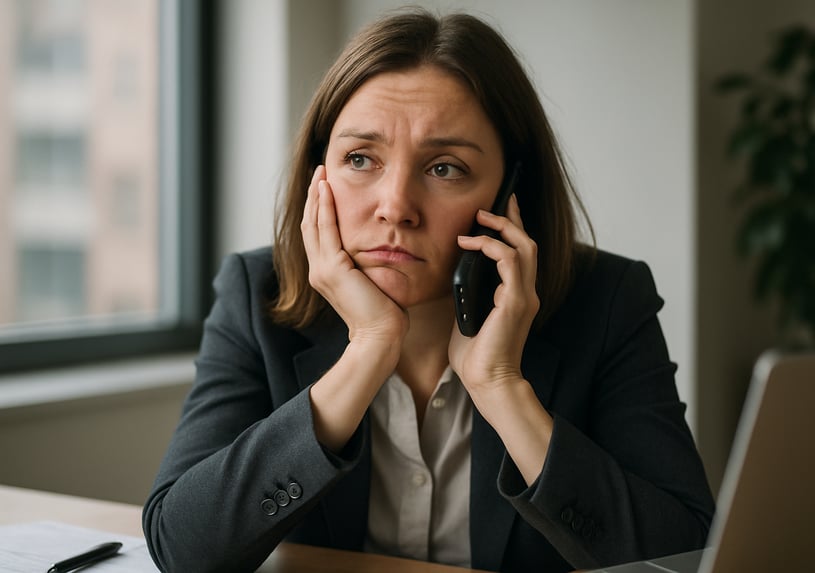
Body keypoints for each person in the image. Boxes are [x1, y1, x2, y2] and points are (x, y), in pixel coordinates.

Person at [143, 9, 714, 573]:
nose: (395, 206)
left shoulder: (608, 300)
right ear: (320, 177)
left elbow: (683, 556)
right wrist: (367, 349)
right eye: (360, 159)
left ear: (512, 189)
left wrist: (502, 389)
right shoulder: (255, 295)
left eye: (445, 168)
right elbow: (183, 550)